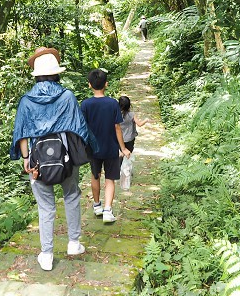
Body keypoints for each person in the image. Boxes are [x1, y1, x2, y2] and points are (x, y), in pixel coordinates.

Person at [10, 47, 96, 271]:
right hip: (66, 158)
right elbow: (80, 129)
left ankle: (47, 254)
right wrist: (90, 150)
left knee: (46, 207)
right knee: (71, 196)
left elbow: (22, 133)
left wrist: (26, 158)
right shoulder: (66, 96)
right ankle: (73, 243)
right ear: (57, 73)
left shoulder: (26, 101)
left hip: (38, 161)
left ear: (36, 75)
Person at [81, 68, 131, 223]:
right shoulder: (112, 104)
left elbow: (82, 126)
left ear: (89, 85)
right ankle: (108, 210)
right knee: (110, 178)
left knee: (95, 176)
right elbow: (117, 127)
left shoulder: (85, 104)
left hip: (93, 148)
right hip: (110, 147)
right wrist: (122, 148)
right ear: (106, 84)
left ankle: (97, 205)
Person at [118, 95, 148, 190]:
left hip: (120, 139)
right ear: (129, 105)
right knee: (128, 155)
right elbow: (139, 124)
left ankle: (119, 171)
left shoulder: (116, 114)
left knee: (121, 154)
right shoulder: (132, 114)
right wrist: (146, 120)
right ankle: (127, 171)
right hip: (130, 139)